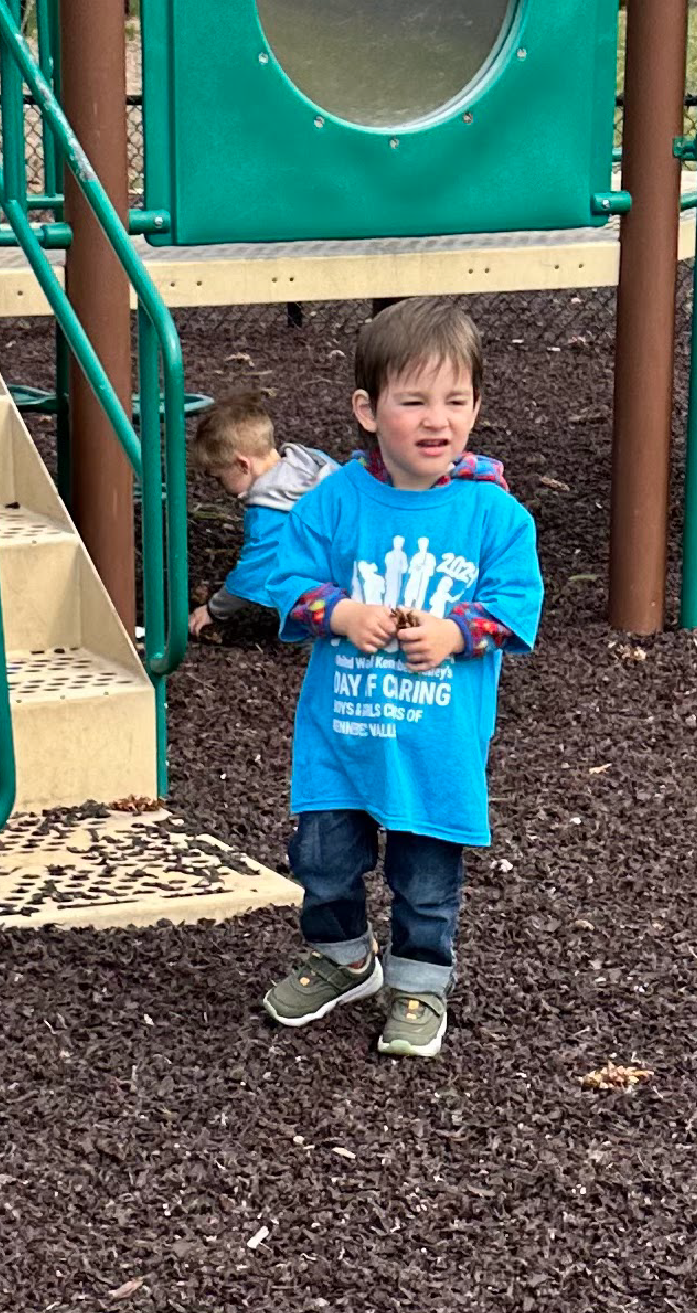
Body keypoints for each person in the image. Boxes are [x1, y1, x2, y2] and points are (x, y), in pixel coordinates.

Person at [263, 298, 543, 1059]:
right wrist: (340, 612)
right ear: (367, 409)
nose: (436, 418)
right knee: (321, 856)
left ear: (477, 407)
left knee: (426, 874)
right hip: (340, 735)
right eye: (413, 400)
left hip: (435, 742)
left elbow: (516, 602)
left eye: (456, 401)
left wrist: (458, 631)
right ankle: (343, 957)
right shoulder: (338, 500)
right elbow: (283, 575)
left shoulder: (495, 515)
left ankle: (419, 983)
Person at [187, 392, 337, 634]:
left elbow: (253, 572)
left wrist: (214, 610)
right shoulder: (313, 464)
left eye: (219, 478)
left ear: (243, 464)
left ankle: (318, 636)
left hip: (344, 587)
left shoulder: (271, 511)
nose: (219, 488)